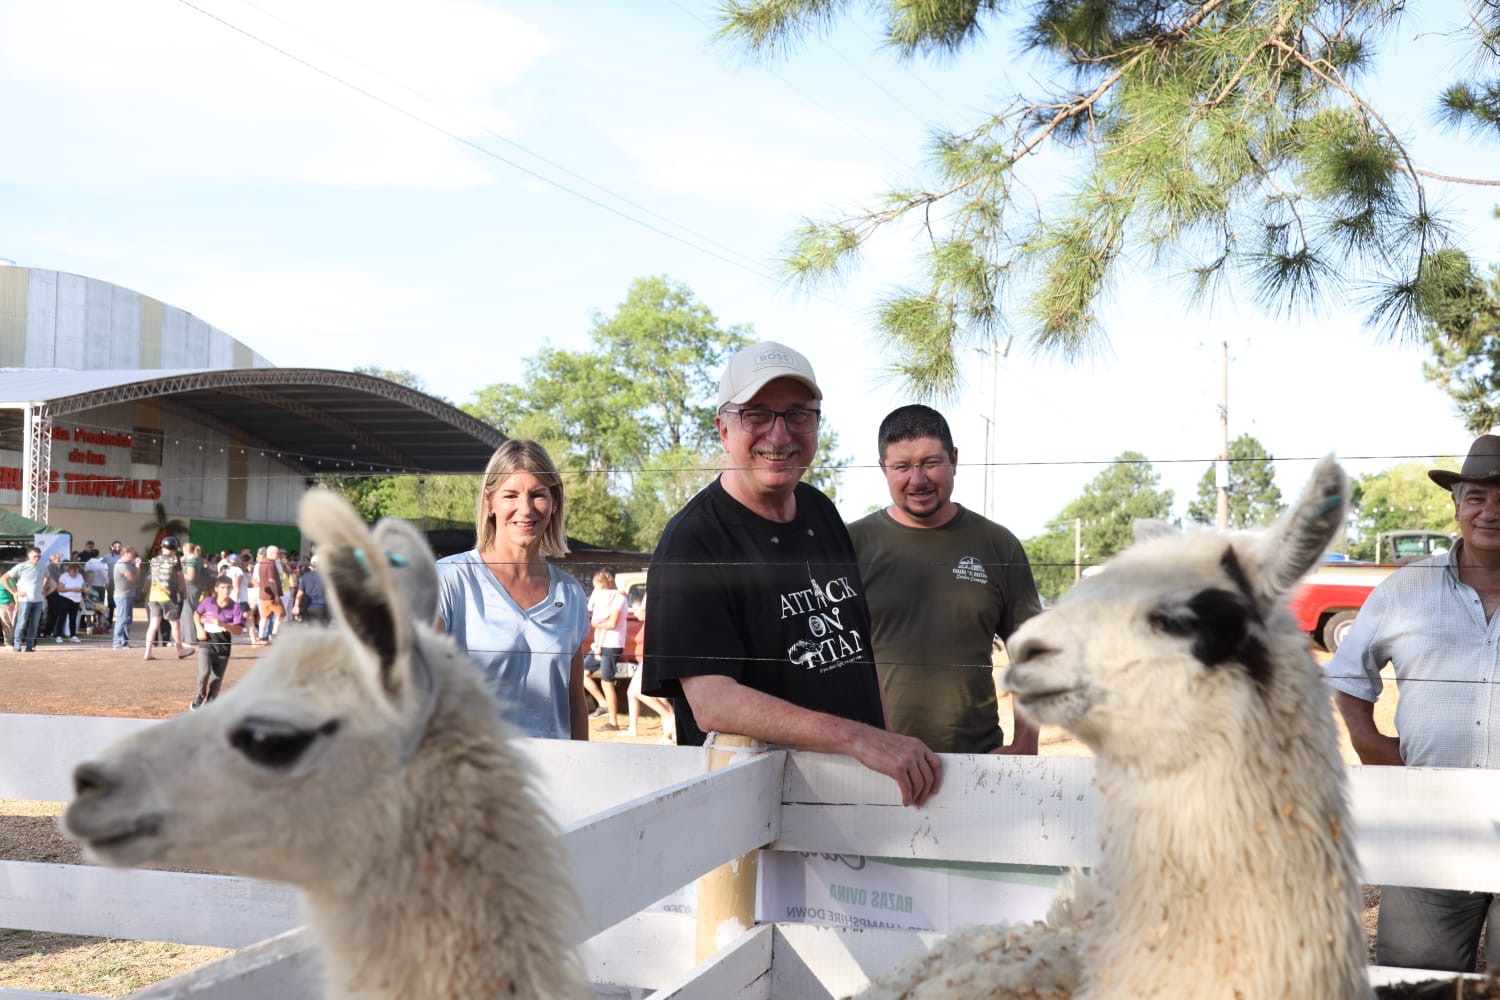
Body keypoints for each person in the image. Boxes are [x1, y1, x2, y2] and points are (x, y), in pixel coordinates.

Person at [641, 340, 941, 807]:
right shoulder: (693, 542)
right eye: (756, 414)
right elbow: (712, 703)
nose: (779, 436)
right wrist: (857, 739)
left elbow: (859, 649)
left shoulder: (820, 510)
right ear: (723, 430)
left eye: (799, 414)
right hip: (755, 816)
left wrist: (884, 740)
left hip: (855, 798)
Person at [1330, 434, 1500, 974]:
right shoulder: (1407, 589)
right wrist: (1373, 747)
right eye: (1477, 496)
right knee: (1416, 983)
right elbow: (1348, 676)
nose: (1490, 512)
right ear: (1456, 504)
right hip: (1430, 829)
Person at [847, 405, 1045, 755]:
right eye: (902, 466)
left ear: (953, 459)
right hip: (874, 764)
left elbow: (1032, 651)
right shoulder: (850, 546)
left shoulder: (998, 545)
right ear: (883, 469)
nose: (918, 479)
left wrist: (1026, 743)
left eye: (930, 462)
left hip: (978, 762)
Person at [435, 439, 590, 740]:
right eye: (510, 495)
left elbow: (574, 704)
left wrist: (585, 772)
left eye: (538, 495)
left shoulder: (570, 594)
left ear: (555, 501)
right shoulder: (449, 579)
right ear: (489, 502)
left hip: (555, 777)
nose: (526, 509)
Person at [580, 569, 630, 730]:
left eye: (597, 587)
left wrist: (595, 625)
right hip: (600, 644)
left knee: (607, 681)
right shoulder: (604, 598)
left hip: (612, 643)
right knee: (582, 673)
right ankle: (603, 704)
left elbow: (612, 623)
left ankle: (613, 722)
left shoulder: (618, 598)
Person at [191, 575, 247, 709]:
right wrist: (199, 629)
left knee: (217, 678)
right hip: (207, 641)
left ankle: (211, 703)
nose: (226, 590)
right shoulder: (208, 602)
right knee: (204, 672)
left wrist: (223, 624)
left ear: (232, 588)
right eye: (222, 587)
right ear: (216, 589)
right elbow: (196, 614)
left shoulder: (235, 607)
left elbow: (239, 630)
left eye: (228, 587)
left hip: (223, 644)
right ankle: (199, 695)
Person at [142, 537, 192, 661]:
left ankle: (147, 652)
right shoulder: (175, 560)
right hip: (167, 596)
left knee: (154, 624)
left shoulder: (154, 560)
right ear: (174, 549)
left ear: (162, 548)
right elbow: (180, 577)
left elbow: (149, 577)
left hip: (153, 595)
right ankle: (180, 650)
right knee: (175, 623)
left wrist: (145, 591)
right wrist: (184, 592)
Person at [3, 547, 53, 653]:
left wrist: (44, 589)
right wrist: (14, 592)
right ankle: (17, 646)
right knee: (21, 623)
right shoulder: (21, 566)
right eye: (35, 556)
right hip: (24, 600)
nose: (37, 558)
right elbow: (4, 578)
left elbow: (48, 578)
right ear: (29, 555)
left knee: (34, 624)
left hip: (38, 600)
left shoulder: (43, 566)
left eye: (39, 556)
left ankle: (30, 647)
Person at [111, 546, 139, 649]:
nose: (134, 556)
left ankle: (124, 642)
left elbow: (136, 576)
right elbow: (132, 578)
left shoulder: (128, 564)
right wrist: (137, 567)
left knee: (128, 619)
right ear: (126, 553)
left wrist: (136, 567)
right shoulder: (121, 564)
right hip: (122, 596)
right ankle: (117, 643)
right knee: (122, 619)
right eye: (132, 553)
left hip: (128, 595)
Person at [52, 561, 87, 644]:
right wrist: (72, 589)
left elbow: (82, 586)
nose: (75, 573)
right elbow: (60, 589)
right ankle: (58, 635)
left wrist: (83, 589)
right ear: (69, 570)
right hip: (65, 598)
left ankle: (73, 635)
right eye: (73, 571)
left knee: (73, 618)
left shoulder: (80, 576)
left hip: (76, 599)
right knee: (62, 617)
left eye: (76, 571)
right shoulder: (64, 577)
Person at [256, 544, 284, 644]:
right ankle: (274, 635)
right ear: (271, 553)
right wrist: (276, 595)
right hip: (271, 596)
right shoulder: (271, 564)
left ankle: (260, 637)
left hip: (263, 594)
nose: (279, 555)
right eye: (277, 553)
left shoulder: (262, 562)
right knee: (281, 614)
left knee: (265, 617)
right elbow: (271, 580)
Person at [295, 553, 329, 623]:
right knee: (323, 630)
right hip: (323, 607)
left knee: (309, 629)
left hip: (308, 607)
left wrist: (296, 606)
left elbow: (300, 593)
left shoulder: (305, 577)